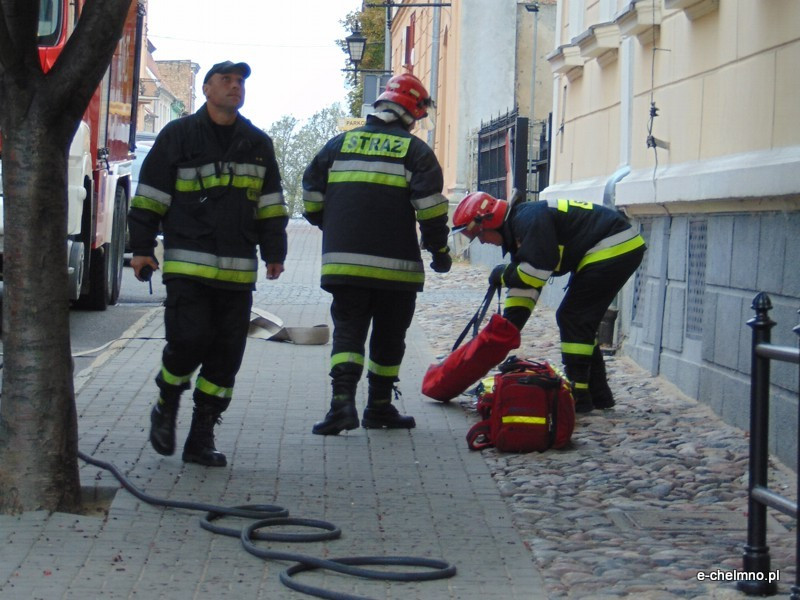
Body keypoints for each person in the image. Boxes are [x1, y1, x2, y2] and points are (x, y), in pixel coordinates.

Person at [128, 61, 288, 466]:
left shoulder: (257, 143)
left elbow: (271, 204)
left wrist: (275, 252)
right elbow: (150, 196)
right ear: (206, 89)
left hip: (237, 272)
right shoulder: (178, 136)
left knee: (225, 356)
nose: (236, 87)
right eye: (226, 80)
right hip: (188, 267)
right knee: (189, 340)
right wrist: (141, 248)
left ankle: (201, 436)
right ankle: (167, 400)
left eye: (240, 82)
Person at [302, 72, 451, 435]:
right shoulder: (416, 152)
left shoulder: (337, 145)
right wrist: (439, 251)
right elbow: (431, 211)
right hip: (396, 270)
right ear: (411, 113)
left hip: (344, 264)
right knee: (389, 337)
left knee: (348, 333)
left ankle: (341, 406)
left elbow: (311, 197)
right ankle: (379, 407)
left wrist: (334, 226)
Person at [451, 192, 646, 413]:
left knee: (574, 318)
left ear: (490, 221)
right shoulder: (518, 227)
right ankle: (598, 394)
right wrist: (507, 328)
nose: (482, 241)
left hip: (615, 246)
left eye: (479, 234)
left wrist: (503, 274)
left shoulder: (528, 222)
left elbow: (534, 273)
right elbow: (525, 287)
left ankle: (580, 394)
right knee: (579, 320)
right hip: (614, 245)